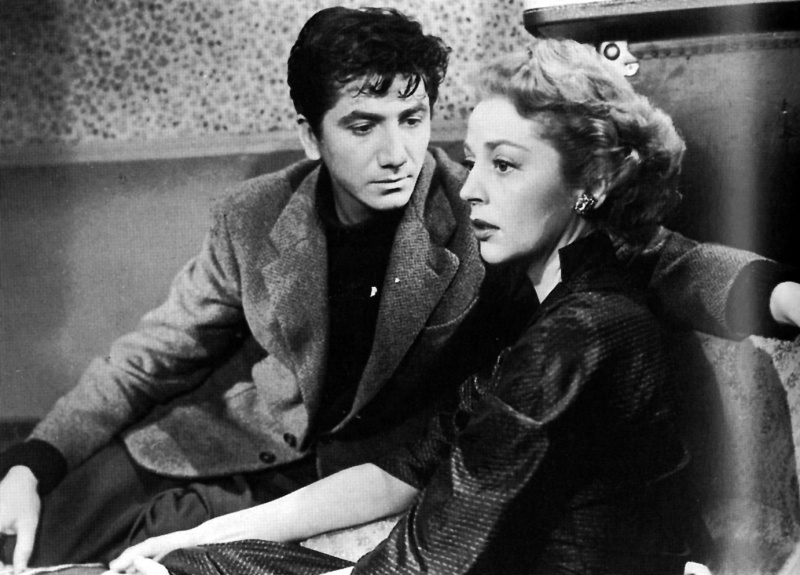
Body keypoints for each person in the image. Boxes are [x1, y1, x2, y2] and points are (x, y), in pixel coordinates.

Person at [1, 7, 799, 571]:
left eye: (412, 118)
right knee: (30, 530)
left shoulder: (483, 211)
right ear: (310, 135)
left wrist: (779, 294)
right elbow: (152, 354)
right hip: (228, 441)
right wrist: (35, 461)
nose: (397, 153)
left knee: (164, 559)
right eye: (363, 124)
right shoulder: (253, 213)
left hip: (366, 471)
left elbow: (656, 255)